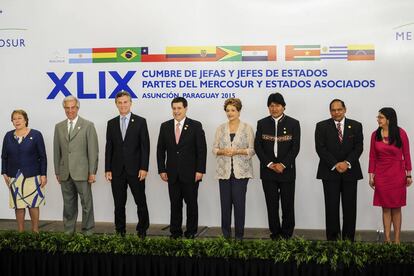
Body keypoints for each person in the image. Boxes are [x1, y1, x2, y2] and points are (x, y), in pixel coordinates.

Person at [157, 97, 207, 239]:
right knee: (175, 204)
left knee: (191, 205)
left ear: (185, 108)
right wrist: (162, 169)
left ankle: (191, 232)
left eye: (179, 108)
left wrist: (200, 170)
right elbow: (160, 149)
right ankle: (175, 232)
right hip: (172, 173)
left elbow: (201, 150)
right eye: (174, 108)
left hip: (191, 174)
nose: (176, 111)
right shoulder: (165, 126)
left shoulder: (195, 125)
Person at [315, 99, 363, 241]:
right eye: (333, 110)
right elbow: (320, 148)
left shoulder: (356, 125)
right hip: (329, 173)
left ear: (345, 109)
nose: (336, 112)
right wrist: (336, 164)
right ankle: (333, 242)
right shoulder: (321, 126)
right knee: (331, 209)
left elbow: (358, 147)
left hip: (350, 172)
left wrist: (346, 163)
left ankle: (348, 241)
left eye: (339, 109)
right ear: (330, 111)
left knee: (350, 209)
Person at [254, 92, 300, 240]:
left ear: (284, 107)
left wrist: (283, 164)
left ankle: (287, 234)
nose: (274, 109)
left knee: (288, 204)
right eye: (271, 106)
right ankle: (275, 233)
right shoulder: (262, 123)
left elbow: (295, 147)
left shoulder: (293, 123)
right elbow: (258, 147)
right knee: (271, 205)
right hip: (268, 171)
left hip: (286, 171)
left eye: (277, 105)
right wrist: (270, 164)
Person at [105, 91, 150, 237]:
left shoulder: (140, 121)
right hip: (117, 170)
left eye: (125, 102)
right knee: (119, 204)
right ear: (116, 104)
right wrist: (108, 169)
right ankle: (120, 231)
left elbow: (145, 146)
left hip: (136, 170)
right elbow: (109, 147)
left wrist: (144, 167)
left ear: (130, 103)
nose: (123, 105)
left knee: (140, 202)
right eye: (120, 102)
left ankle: (142, 230)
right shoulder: (111, 123)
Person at [54, 96, 98, 235]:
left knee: (86, 205)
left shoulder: (88, 125)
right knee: (68, 206)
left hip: (83, 172)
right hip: (65, 173)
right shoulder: (59, 126)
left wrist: (92, 171)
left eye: (73, 107)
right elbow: (57, 151)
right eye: (67, 108)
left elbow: (93, 150)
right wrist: (57, 171)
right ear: (64, 109)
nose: (70, 110)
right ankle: (68, 233)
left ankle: (88, 232)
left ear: (77, 108)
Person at [212, 98, 255, 240]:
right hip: (223, 172)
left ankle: (239, 236)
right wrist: (223, 151)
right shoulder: (220, 128)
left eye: (233, 110)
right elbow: (214, 149)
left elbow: (251, 150)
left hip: (241, 173)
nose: (230, 113)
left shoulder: (247, 128)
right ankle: (225, 236)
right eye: (227, 110)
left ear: (239, 111)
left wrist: (237, 151)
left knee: (239, 206)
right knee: (225, 206)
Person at [368, 107, 412, 244]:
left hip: (398, 174)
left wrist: (408, 174)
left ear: (389, 119)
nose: (378, 119)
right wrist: (371, 176)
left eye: (380, 117)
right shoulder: (375, 135)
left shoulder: (401, 133)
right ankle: (387, 239)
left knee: (397, 208)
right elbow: (372, 157)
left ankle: (397, 239)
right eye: (378, 117)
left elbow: (407, 154)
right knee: (385, 208)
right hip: (381, 175)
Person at [1, 109, 47, 232]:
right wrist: (4, 173)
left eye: (19, 118)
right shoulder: (8, 136)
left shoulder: (36, 135)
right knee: (19, 206)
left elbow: (42, 156)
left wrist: (43, 175)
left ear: (25, 120)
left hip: (33, 175)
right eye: (14, 119)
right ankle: (20, 232)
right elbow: (4, 156)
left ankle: (35, 231)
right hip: (14, 176)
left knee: (33, 204)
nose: (17, 121)